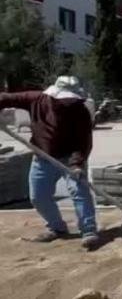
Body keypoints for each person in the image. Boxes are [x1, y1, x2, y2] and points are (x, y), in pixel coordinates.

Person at [0, 76, 99, 249]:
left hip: (70, 158)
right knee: (38, 196)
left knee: (79, 192)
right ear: (54, 94)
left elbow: (83, 142)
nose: (67, 102)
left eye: (71, 98)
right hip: (42, 157)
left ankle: (88, 230)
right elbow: (5, 98)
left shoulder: (80, 111)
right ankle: (57, 227)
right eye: (64, 98)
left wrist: (76, 164)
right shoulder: (36, 100)